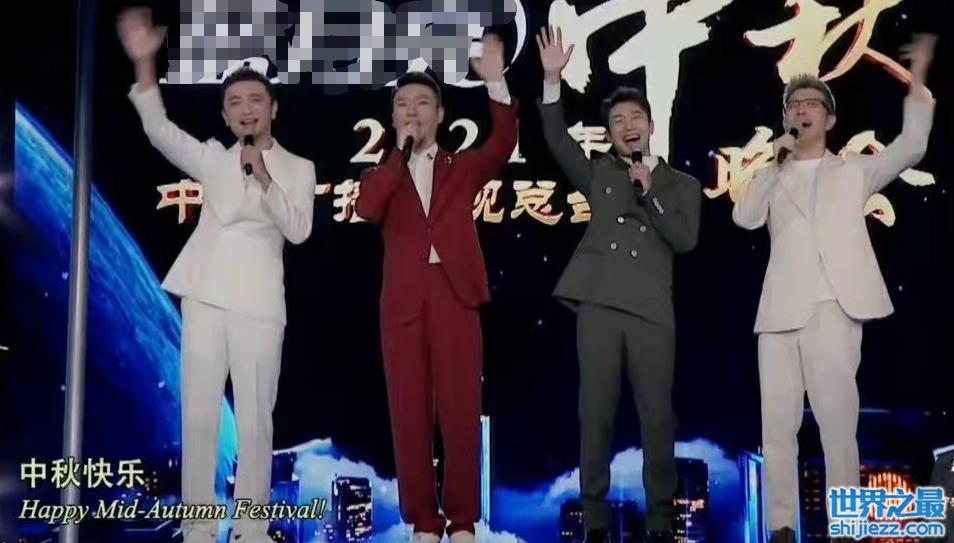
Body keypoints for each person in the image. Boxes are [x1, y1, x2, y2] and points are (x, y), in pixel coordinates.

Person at [118, 8, 317, 543]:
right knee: (201, 420)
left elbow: (299, 230)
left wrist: (266, 179)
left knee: (255, 424)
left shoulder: (298, 168)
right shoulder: (211, 159)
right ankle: (199, 529)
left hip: (259, 306)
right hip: (204, 295)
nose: (246, 110)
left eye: (255, 100)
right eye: (235, 103)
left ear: (273, 108)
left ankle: (251, 529)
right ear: (226, 117)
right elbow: (159, 131)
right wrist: (144, 65)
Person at [732, 33, 937, 543]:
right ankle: (781, 526)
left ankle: (845, 527)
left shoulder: (855, 171)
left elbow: (911, 147)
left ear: (829, 119)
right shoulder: (772, 173)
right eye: (793, 105)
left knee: (837, 426)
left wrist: (917, 81)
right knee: (776, 428)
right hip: (779, 312)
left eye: (811, 104)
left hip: (833, 307)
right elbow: (744, 217)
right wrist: (772, 163)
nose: (801, 111)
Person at [535, 26, 702, 543]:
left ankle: (660, 522)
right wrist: (551, 80)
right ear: (609, 134)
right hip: (600, 306)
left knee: (658, 418)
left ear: (651, 125)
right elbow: (558, 141)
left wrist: (649, 193)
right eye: (617, 122)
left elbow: (684, 239)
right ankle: (596, 521)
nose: (627, 127)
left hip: (652, 311)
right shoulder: (601, 175)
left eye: (635, 119)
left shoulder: (681, 185)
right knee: (595, 414)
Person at [353, 34, 518, 543]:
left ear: (441, 114)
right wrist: (396, 157)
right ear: (393, 117)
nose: (412, 112)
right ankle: (424, 521)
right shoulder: (381, 173)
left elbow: (502, 144)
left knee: (461, 410)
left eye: (422, 103)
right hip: (403, 304)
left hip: (455, 295)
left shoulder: (460, 167)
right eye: (403, 105)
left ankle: (462, 521)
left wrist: (496, 82)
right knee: (409, 413)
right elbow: (368, 209)